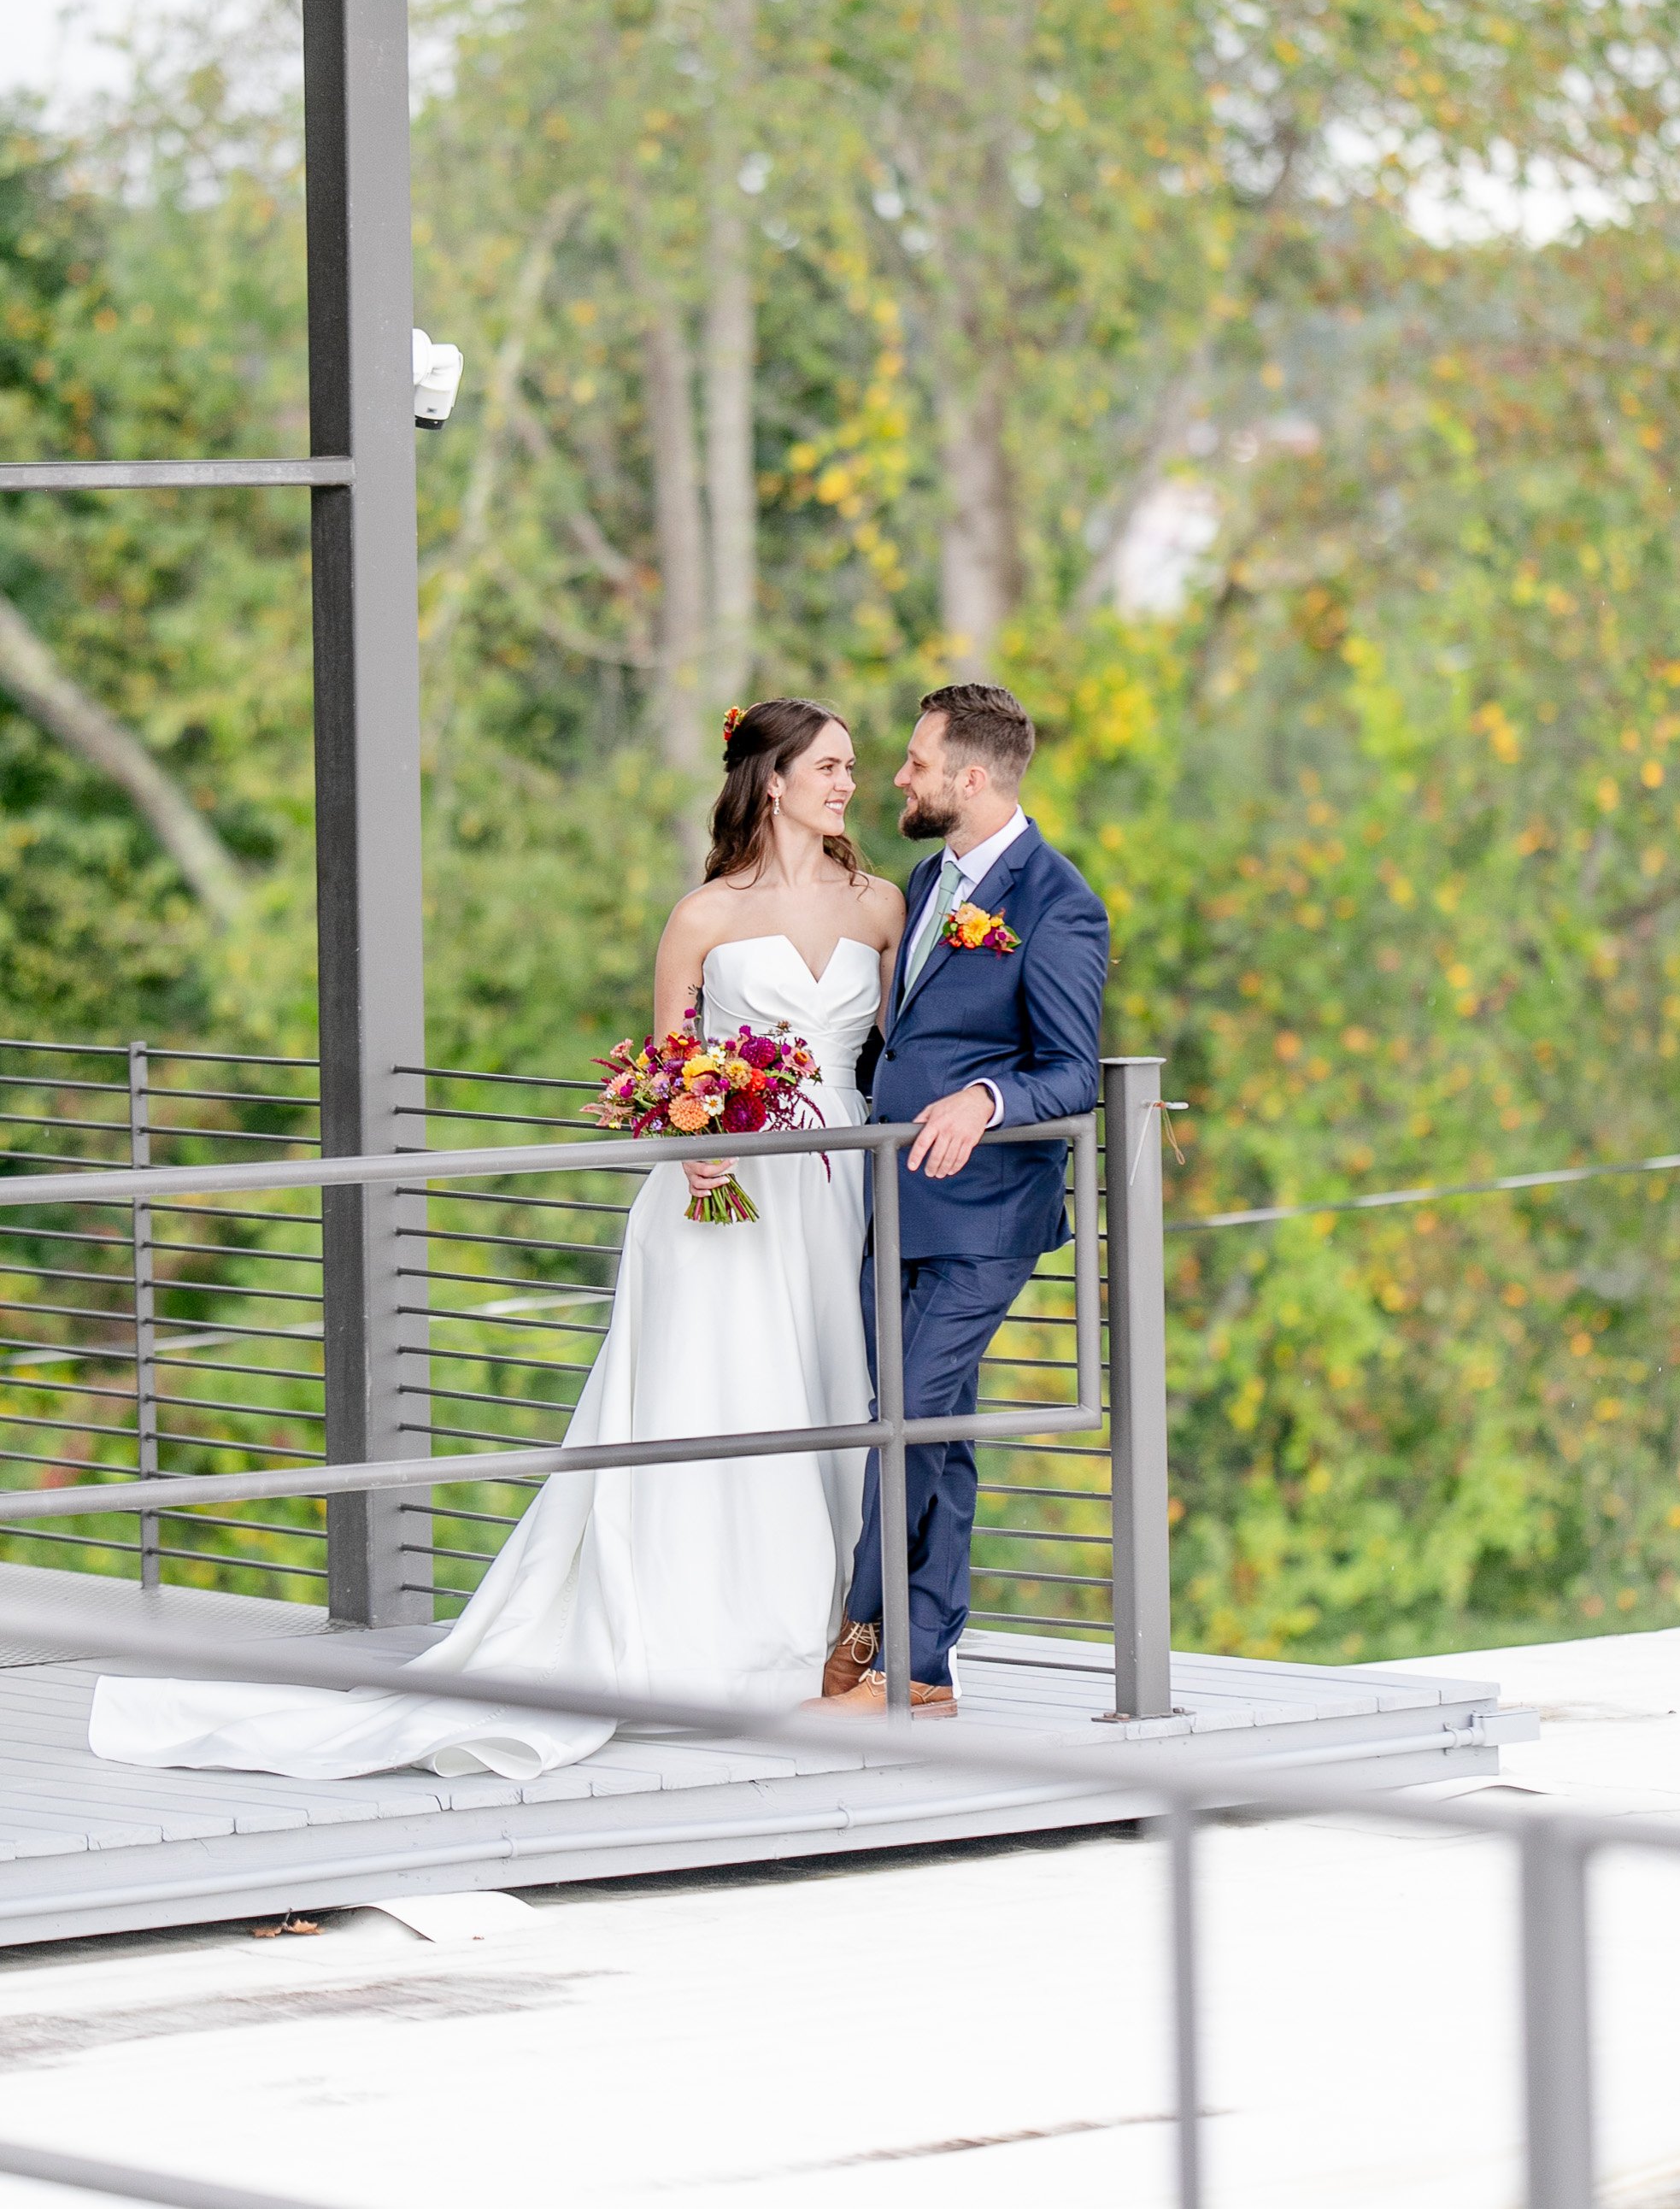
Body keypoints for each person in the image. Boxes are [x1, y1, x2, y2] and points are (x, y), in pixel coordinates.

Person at [87, 700, 906, 1782]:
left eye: (854, 767)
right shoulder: (701, 916)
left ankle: (833, 1632)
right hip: (724, 1197)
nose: (852, 782)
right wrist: (691, 1141)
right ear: (773, 779)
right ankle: (718, 1630)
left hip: (837, 1183)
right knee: (720, 1389)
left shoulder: (882, 904)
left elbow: (900, 1055)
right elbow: (670, 1075)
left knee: (823, 1390)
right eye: (833, 765)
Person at [814, 683, 1109, 1718]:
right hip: (889, 1200)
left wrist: (987, 1097)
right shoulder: (929, 876)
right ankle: (908, 1659)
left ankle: (891, 1655)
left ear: (971, 778)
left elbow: (1074, 1069)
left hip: (985, 1216)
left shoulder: (1058, 902)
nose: (897, 777)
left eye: (915, 760)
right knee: (926, 1425)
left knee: (906, 1416)